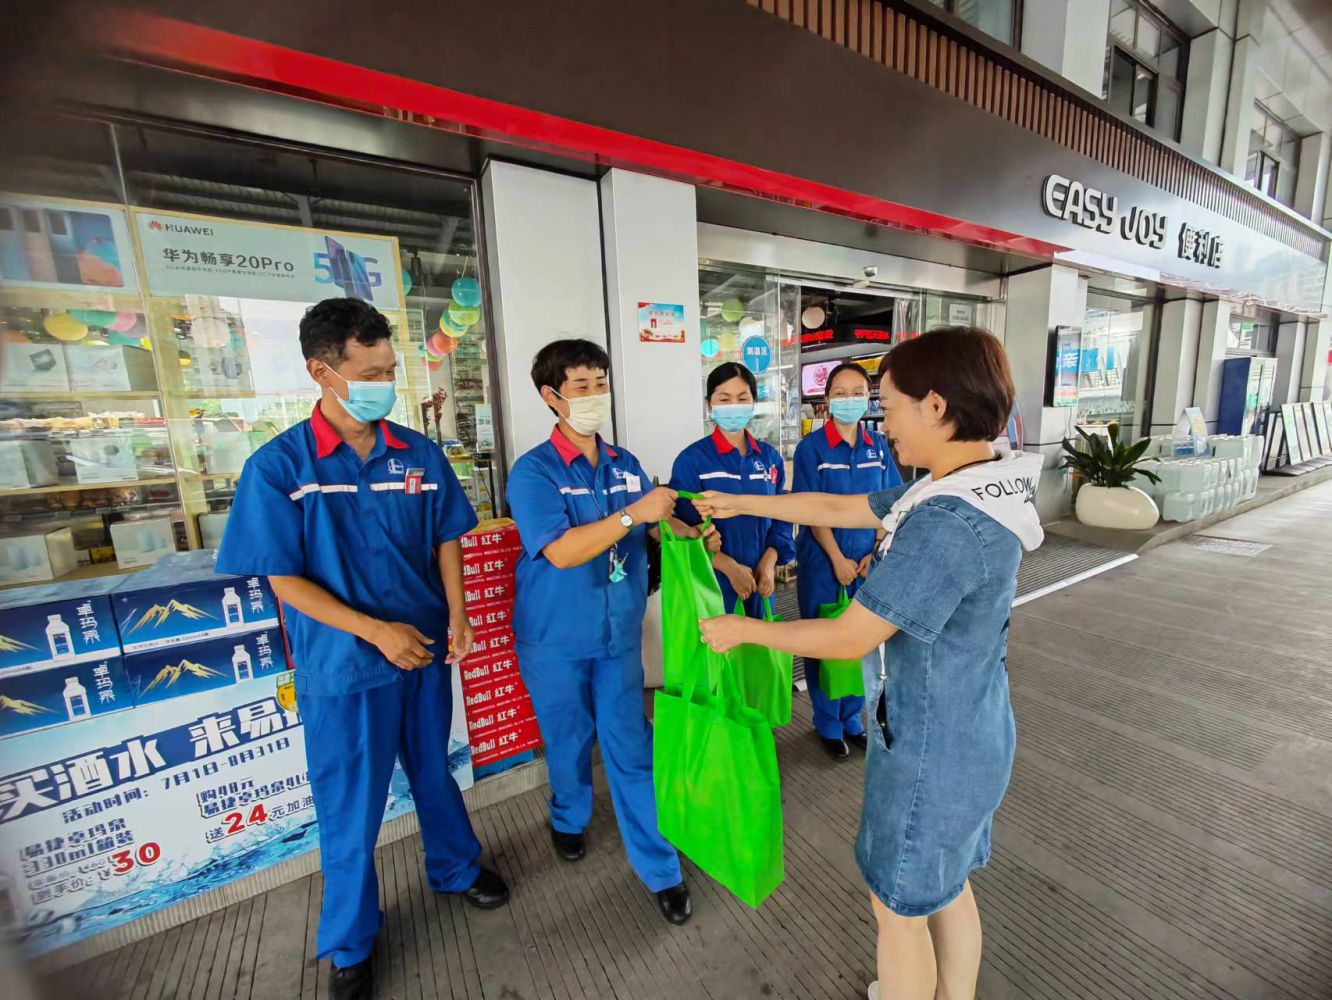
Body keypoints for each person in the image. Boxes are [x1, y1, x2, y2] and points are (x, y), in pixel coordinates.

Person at [695, 327, 1043, 1000]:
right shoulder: (968, 485)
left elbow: (852, 636)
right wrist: (742, 501)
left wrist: (745, 630)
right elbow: (837, 506)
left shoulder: (947, 523)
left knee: (897, 908)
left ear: (935, 406)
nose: (883, 425)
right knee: (945, 888)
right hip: (968, 725)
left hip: (931, 748)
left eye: (888, 406)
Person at [216, 298, 509, 1000]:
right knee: (351, 803)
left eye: (390, 370)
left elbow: (447, 536)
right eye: (370, 372)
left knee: (434, 771)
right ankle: (350, 941)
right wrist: (375, 631)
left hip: (424, 651)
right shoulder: (280, 467)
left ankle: (456, 868)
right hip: (345, 667)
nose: (385, 384)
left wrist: (459, 616)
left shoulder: (418, 453)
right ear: (323, 371)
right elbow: (283, 580)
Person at [506, 338, 713, 925]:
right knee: (568, 741)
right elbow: (562, 551)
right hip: (555, 638)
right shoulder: (534, 472)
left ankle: (661, 868)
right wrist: (631, 515)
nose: (596, 395)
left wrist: (682, 530)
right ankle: (569, 817)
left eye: (601, 383)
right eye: (581, 386)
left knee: (631, 748)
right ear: (551, 396)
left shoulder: (625, 464)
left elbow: (648, 528)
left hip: (618, 635)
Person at [793, 362, 902, 760]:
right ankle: (827, 722)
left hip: (866, 562)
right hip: (823, 561)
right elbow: (810, 508)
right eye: (840, 393)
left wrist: (875, 552)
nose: (849, 400)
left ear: (869, 397)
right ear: (826, 400)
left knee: (864, 638)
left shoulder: (877, 446)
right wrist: (837, 558)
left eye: (857, 392)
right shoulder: (811, 449)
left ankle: (853, 717)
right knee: (824, 637)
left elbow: (893, 500)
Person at [669, 361, 795, 618]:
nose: (734, 406)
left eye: (742, 398)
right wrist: (728, 567)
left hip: (760, 581)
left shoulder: (769, 459)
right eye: (724, 399)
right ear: (709, 405)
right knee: (719, 641)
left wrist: (770, 560)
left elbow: (782, 517)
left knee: (761, 641)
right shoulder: (692, 460)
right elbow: (683, 530)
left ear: (753, 403)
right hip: (712, 583)